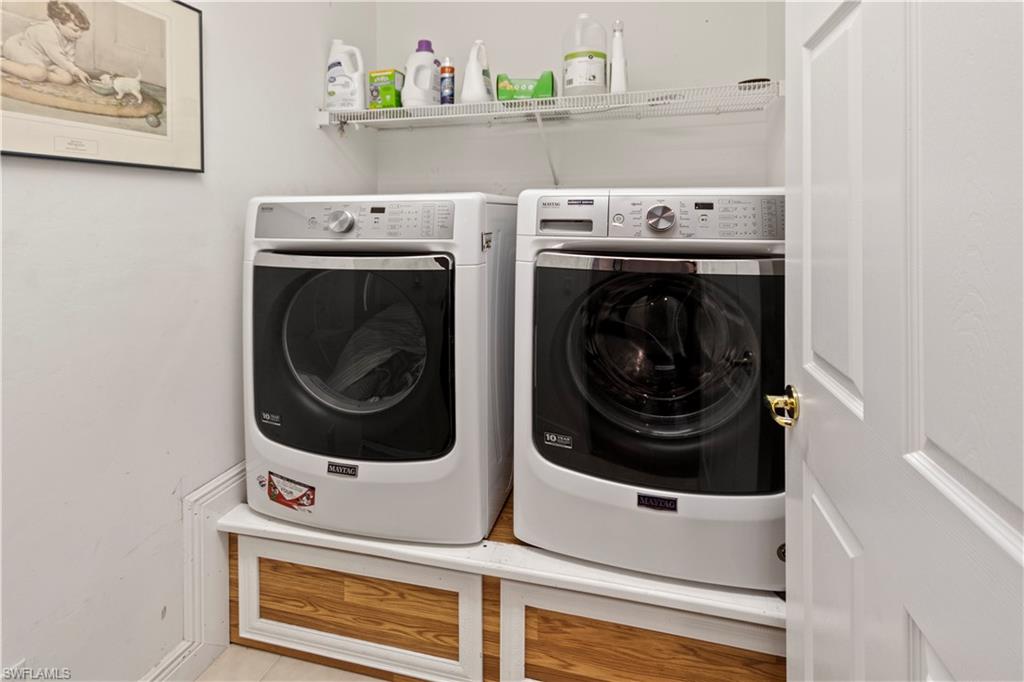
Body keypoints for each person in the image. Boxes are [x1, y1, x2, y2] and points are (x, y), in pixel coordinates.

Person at [1, 1, 91, 85]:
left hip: (43, 58)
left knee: (67, 79)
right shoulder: (47, 31)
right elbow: (57, 56)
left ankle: (39, 73)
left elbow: (69, 58)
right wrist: (75, 70)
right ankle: (2, 63)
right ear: (57, 22)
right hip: (20, 47)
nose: (79, 35)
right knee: (38, 73)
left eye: (81, 32)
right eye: (75, 30)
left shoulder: (71, 37)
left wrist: (73, 71)